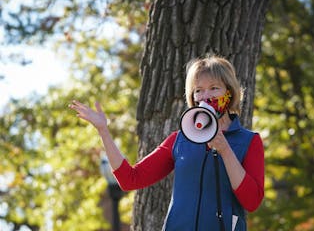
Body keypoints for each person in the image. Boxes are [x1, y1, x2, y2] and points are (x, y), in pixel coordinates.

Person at [69, 55, 264, 231]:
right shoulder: (179, 140)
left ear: (229, 92)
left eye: (214, 88)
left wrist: (225, 150)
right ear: (193, 97)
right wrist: (103, 131)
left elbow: (252, 201)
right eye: (198, 90)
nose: (205, 97)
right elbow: (130, 179)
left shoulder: (248, 141)